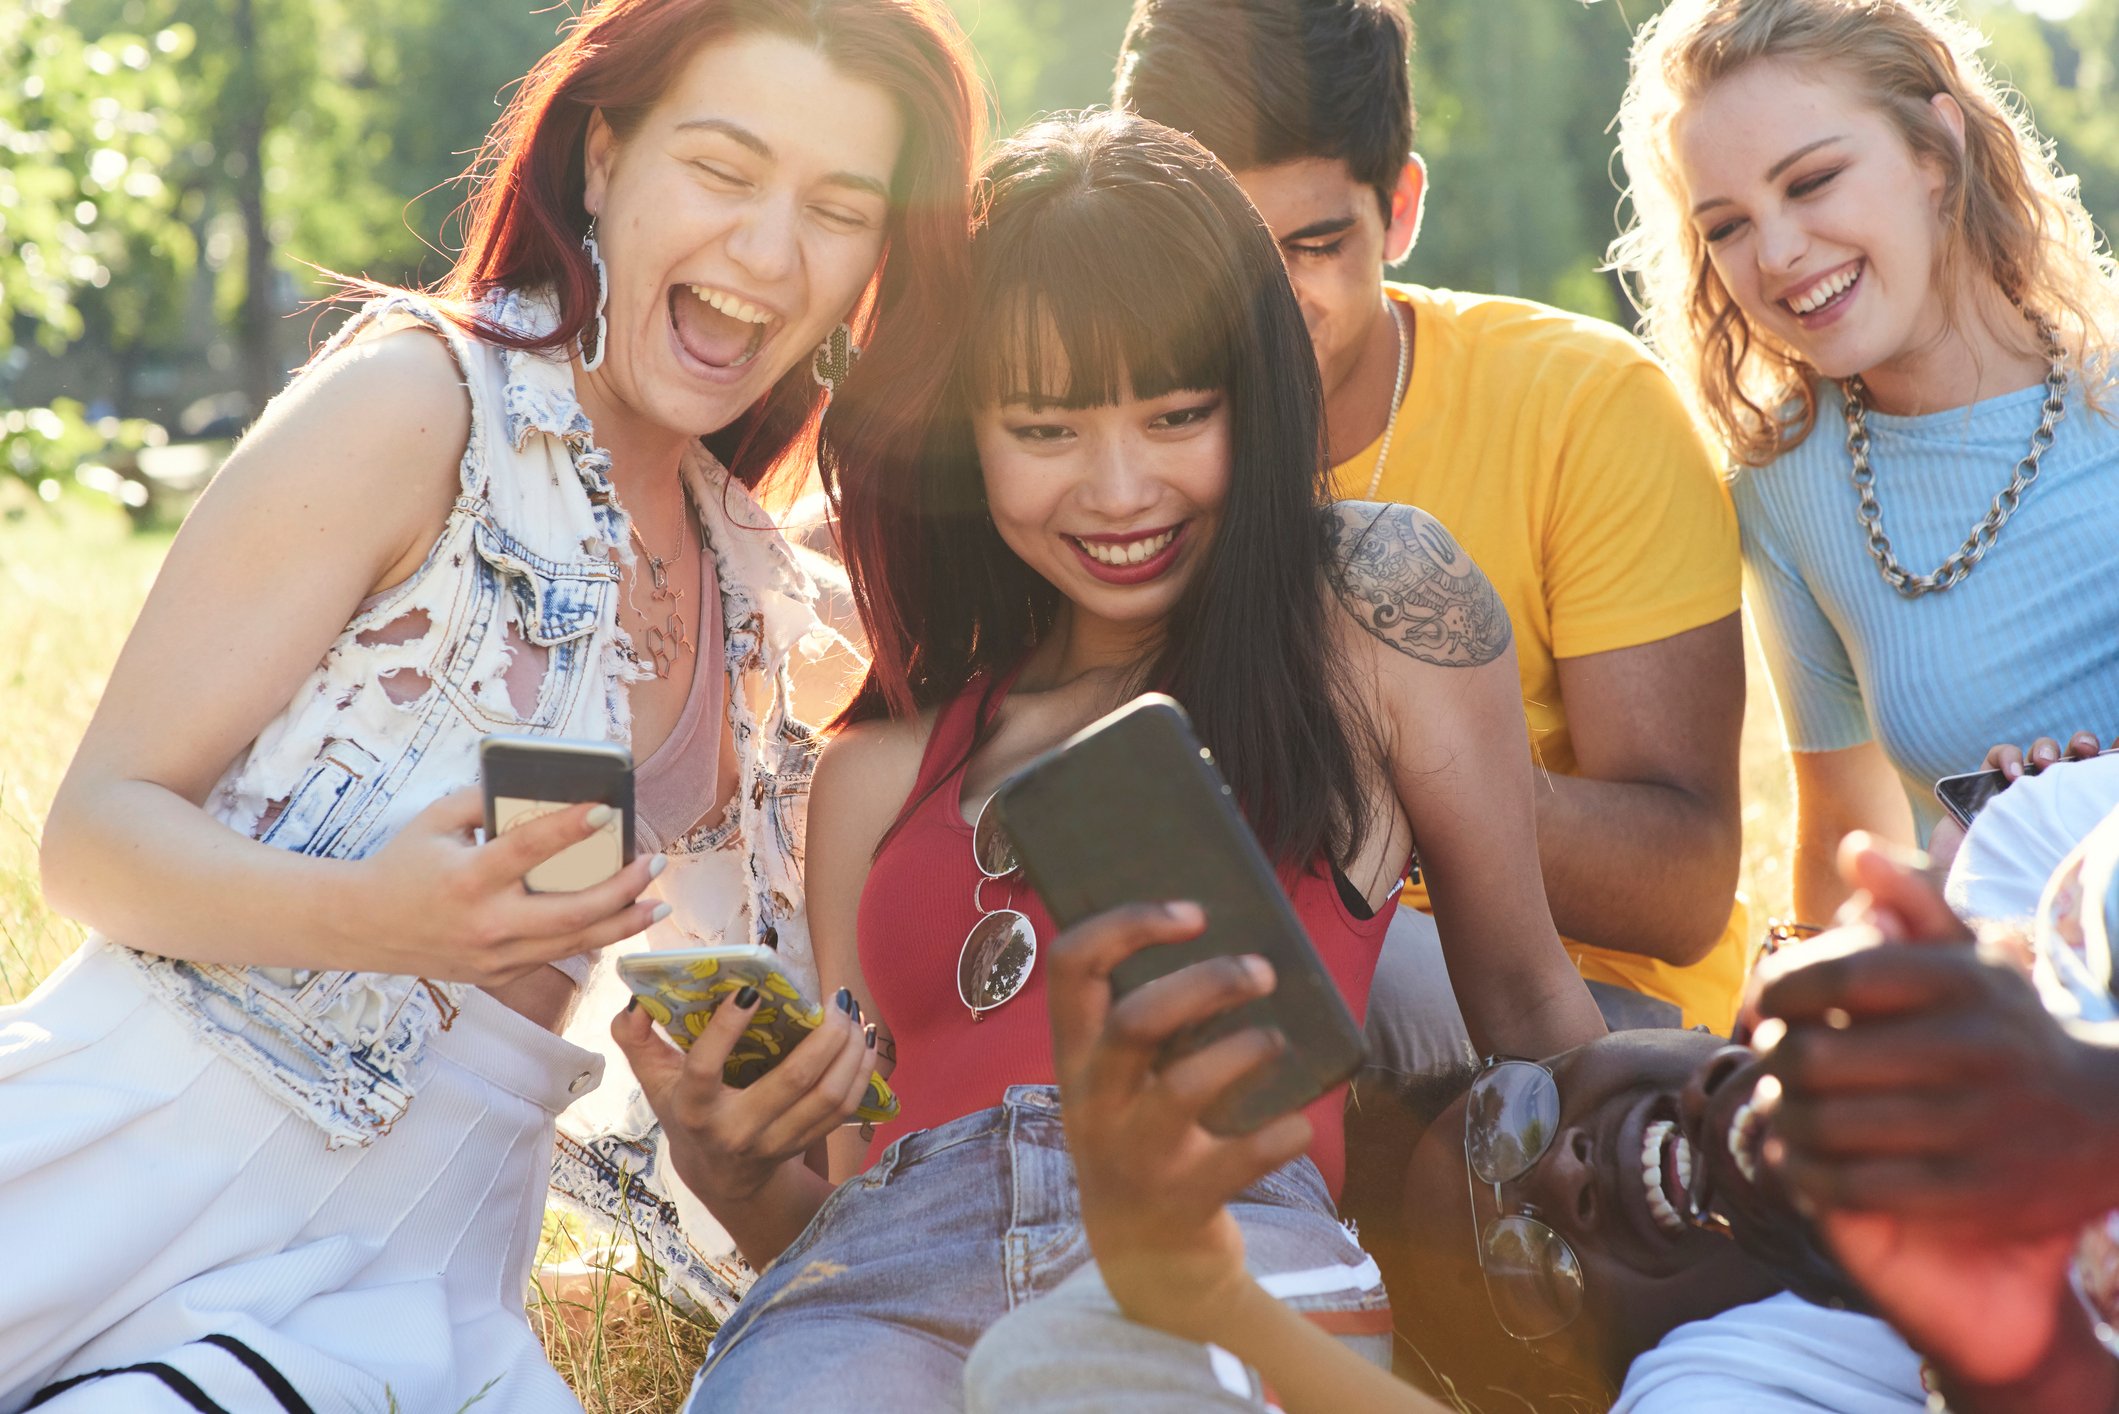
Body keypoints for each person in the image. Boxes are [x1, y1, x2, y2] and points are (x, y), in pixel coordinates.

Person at [3, 0, 978, 1408]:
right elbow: (89, 836)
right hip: (142, 1172)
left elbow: (767, 1199)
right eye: (721, 169)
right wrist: (373, 919)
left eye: (839, 208)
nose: (769, 252)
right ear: (599, 161)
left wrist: (733, 1129)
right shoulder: (419, 403)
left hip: (422, 1287)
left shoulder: (760, 595)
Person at [619, 108, 1606, 1410]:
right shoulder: (874, 771)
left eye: (1175, 414)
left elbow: (1531, 1012)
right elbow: (857, 1182)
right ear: (965, 436)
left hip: (1220, 1232)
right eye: (1043, 431)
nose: (1117, 488)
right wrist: (735, 1170)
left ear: (1253, 399)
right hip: (885, 1267)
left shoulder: (1368, 612)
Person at [1116, 0, 1752, 1065]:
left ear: (1400, 208)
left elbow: (1684, 887)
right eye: (1220, 255)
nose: (1265, 305)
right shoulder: (1122, 453)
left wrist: (1408, 751)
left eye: (1315, 247)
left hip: (1589, 1011)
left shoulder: (1579, 405)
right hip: (1248, 993)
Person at [1611, 0, 2119, 925]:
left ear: (1935, 147)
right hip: (2009, 1021)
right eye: (1724, 226)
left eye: (1810, 181)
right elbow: (1844, 830)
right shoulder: (1784, 482)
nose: (1774, 253)